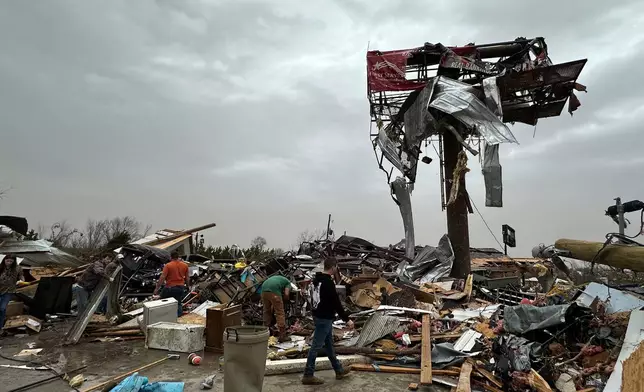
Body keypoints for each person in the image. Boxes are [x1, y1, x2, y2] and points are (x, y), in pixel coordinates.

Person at [302, 257, 353, 385]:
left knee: (329, 345)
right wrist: (346, 319)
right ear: (333, 267)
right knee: (315, 346)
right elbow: (336, 302)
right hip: (324, 318)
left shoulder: (315, 281)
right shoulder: (328, 283)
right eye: (336, 267)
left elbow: (312, 299)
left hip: (319, 316)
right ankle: (308, 375)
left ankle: (339, 370)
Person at [153, 251, 189, 317]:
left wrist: (156, 289)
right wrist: (188, 286)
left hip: (170, 288)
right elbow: (187, 278)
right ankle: (178, 319)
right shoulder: (185, 265)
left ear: (170, 257)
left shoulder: (168, 265)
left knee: (162, 301)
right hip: (180, 288)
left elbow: (162, 277)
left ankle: (163, 317)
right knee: (178, 303)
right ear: (178, 257)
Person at [260, 274, 292, 342]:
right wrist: (285, 299)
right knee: (280, 313)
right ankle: (282, 336)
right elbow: (286, 294)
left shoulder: (277, 278)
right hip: (274, 292)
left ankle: (265, 333)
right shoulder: (288, 282)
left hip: (263, 291)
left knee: (266, 311)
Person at [0, 254, 24, 330]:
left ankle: (0, 326)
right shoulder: (1, 267)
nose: (9, 263)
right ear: (4, 260)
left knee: (2, 308)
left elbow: (21, 276)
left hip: (9, 290)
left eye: (11, 261)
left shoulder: (18, 268)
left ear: (14, 262)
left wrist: (22, 280)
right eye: (7, 261)